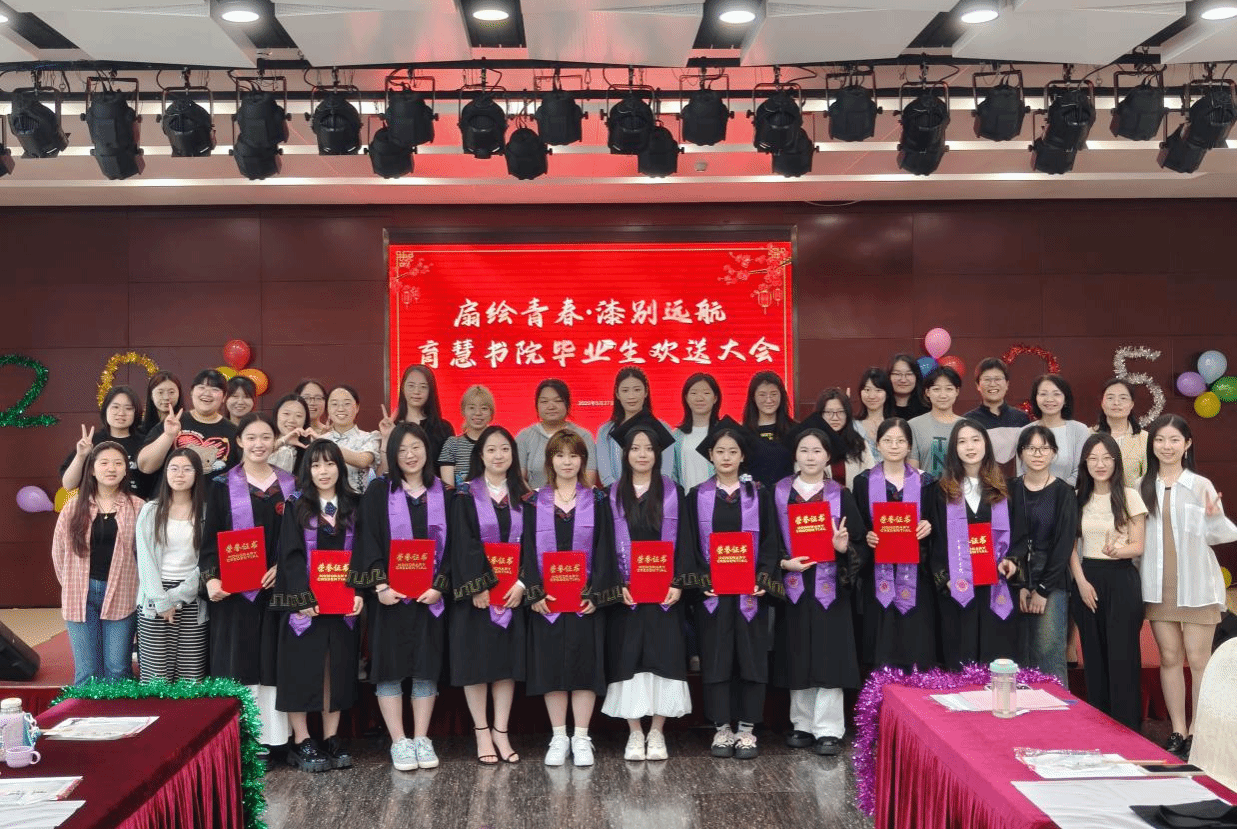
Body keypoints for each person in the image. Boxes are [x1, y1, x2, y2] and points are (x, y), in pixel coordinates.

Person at [350, 424, 451, 772]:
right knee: (389, 671)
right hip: (389, 599)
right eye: (402, 449)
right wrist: (379, 585)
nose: (410, 455)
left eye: (416, 447)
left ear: (427, 450)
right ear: (392, 454)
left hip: (430, 599)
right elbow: (367, 539)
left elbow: (456, 545)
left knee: (425, 670)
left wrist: (440, 585)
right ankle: (399, 741)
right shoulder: (379, 491)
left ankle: (421, 738)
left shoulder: (445, 493)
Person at [684, 416, 782, 760]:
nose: (726, 457)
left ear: (742, 456)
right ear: (710, 455)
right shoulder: (696, 496)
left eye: (733, 451)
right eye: (720, 451)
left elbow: (771, 542)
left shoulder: (759, 494)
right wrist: (702, 581)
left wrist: (763, 579)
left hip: (749, 594)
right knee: (717, 659)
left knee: (751, 659)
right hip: (713, 596)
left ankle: (747, 729)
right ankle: (722, 728)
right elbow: (689, 545)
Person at [521, 430, 619, 767]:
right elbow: (525, 548)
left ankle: (581, 736)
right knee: (552, 667)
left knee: (584, 667)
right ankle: (559, 736)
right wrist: (534, 591)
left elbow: (606, 547)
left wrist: (597, 592)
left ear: (583, 460)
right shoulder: (534, 501)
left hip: (584, 601)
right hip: (547, 601)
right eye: (559, 455)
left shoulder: (598, 500)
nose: (567, 462)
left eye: (574, 455)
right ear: (549, 461)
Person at [1139, 415, 1236, 757]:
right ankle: (1178, 729)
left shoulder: (1200, 485)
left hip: (1197, 585)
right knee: (1169, 657)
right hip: (1158, 587)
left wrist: (1213, 516)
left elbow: (1220, 535)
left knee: (1198, 660)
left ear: (1187, 444)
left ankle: (1199, 730)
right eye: (1160, 440)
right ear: (1152, 444)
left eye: (1174, 440)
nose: (1166, 447)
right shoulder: (1141, 486)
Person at [200, 413, 295, 753]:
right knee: (237, 660)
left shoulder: (291, 485)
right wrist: (211, 579)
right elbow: (210, 540)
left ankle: (275, 739)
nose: (259, 444)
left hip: (277, 589)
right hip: (235, 591)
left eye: (266, 437)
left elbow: (302, 538)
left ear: (275, 441)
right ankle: (241, 742)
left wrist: (285, 567)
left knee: (273, 660)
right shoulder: (221, 485)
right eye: (251, 437)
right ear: (239, 441)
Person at [601, 415, 693, 762]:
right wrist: (616, 585)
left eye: (649, 448)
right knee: (629, 661)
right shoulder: (611, 496)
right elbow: (603, 546)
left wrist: (679, 583)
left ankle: (656, 731)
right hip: (627, 596)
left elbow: (685, 540)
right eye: (635, 448)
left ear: (658, 454)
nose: (642, 454)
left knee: (663, 659)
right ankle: (634, 732)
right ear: (625, 454)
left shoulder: (673, 493)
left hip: (664, 594)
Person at [272, 439, 364, 773]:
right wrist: (301, 597)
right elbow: (290, 554)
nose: (323, 471)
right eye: (315, 465)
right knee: (300, 668)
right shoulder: (296, 505)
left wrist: (359, 591)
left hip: (343, 604)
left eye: (329, 463)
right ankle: (302, 740)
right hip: (305, 606)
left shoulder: (355, 505)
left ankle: (331, 736)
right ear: (307, 470)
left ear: (340, 467)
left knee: (334, 669)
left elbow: (364, 551)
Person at [772, 426, 863, 756]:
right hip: (794, 586)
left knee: (829, 655)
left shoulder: (841, 494)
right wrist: (784, 563)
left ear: (827, 457)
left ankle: (828, 728)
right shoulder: (779, 493)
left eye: (817, 451)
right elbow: (766, 539)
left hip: (830, 588)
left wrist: (843, 548)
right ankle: (802, 723)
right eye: (804, 450)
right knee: (798, 654)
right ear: (795, 455)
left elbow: (859, 542)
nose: (810, 457)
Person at [448, 425, 530, 766]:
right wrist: (477, 585)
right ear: (480, 455)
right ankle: (481, 730)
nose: (499, 455)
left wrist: (522, 584)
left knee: (505, 665)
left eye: (505, 449)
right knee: (476, 665)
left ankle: (501, 730)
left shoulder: (525, 497)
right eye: (492, 449)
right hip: (477, 598)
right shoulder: (465, 495)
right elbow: (462, 543)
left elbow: (535, 544)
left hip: (512, 595)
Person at [929, 419, 1028, 668]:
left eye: (976, 440)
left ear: (986, 444)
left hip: (997, 586)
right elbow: (936, 541)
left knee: (997, 657)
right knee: (961, 656)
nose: (970, 447)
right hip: (959, 587)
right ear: (954, 448)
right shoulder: (940, 491)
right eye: (962, 442)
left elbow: (1019, 536)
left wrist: (1012, 563)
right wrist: (945, 578)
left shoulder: (1007, 488)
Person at [1070, 432, 1147, 731]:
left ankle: (1127, 728)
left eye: (1106, 458)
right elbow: (1070, 548)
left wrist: (1117, 551)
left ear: (1116, 462)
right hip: (1087, 579)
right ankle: (1100, 728)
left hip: (1122, 579)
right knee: (1094, 655)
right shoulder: (1077, 497)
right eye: (1093, 458)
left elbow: (1138, 546)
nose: (1100, 464)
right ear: (1085, 463)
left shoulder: (1130, 496)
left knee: (1123, 656)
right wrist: (1081, 582)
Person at [51, 441, 142, 684]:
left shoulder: (137, 507)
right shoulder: (73, 506)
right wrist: (70, 584)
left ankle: (120, 711)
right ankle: (85, 710)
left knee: (118, 669)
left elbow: (144, 554)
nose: (111, 468)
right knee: (87, 672)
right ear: (91, 469)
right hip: (80, 594)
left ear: (125, 470)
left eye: (118, 463)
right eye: (104, 463)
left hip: (122, 593)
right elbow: (59, 552)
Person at [1008, 426, 1078, 686]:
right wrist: (1019, 585)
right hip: (1013, 577)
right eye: (1030, 448)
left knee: (1048, 653)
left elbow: (1063, 546)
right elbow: (1006, 540)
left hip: (1052, 578)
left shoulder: (1064, 492)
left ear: (1054, 453)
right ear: (1020, 453)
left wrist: (1042, 589)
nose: (1037, 454)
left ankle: (1055, 709)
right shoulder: (1009, 489)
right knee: (1017, 652)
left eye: (1044, 448)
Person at [135, 448, 209, 682]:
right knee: (155, 678)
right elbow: (144, 558)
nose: (180, 474)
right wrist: (161, 600)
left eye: (187, 469)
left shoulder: (205, 512)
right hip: (154, 597)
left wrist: (177, 596)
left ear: (197, 474)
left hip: (192, 596)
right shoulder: (151, 510)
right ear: (165, 473)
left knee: (190, 678)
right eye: (174, 468)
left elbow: (208, 558)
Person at [138, 368, 238, 477]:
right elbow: (145, 467)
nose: (207, 393)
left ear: (224, 397)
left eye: (215, 389)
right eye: (201, 387)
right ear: (191, 392)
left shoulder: (233, 431)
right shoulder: (173, 422)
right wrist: (168, 435)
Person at [60, 385, 146, 497]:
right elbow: (68, 485)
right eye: (115, 407)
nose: (121, 413)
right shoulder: (92, 442)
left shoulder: (145, 443)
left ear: (136, 412)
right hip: (97, 506)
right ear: (105, 410)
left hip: (138, 506)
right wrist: (81, 456)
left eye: (128, 408)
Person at [596, 368, 674, 487]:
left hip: (655, 495)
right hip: (617, 495)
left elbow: (666, 472)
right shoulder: (605, 431)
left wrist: (647, 494)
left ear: (646, 392)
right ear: (617, 394)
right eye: (625, 390)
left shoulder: (663, 428)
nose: (631, 396)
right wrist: (622, 494)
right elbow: (606, 476)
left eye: (637, 390)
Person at [515, 379, 598, 490]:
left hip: (576, 499)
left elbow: (589, 477)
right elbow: (518, 478)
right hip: (535, 499)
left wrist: (568, 499)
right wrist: (534, 498)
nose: (551, 406)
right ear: (537, 405)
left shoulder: (583, 436)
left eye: (558, 401)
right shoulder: (524, 437)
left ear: (567, 404)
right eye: (544, 401)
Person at [378, 364, 455, 472]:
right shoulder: (392, 427)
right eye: (411, 385)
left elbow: (450, 471)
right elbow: (383, 474)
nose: (416, 391)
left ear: (430, 391)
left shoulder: (443, 428)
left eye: (423, 386)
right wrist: (386, 438)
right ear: (403, 388)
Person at [1021, 374, 1090, 486]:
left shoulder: (1079, 430)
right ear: (1035, 398)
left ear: (1065, 399)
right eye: (1043, 394)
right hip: (1031, 494)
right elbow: (1021, 472)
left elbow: (1081, 470)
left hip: (1069, 494)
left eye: (1056, 394)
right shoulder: (1024, 431)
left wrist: (1056, 492)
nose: (1049, 399)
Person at [964, 358, 1030, 467]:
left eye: (998, 379)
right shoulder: (968, 421)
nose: (992, 384)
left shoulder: (1021, 418)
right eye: (987, 379)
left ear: (1007, 384)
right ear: (978, 385)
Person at [320, 385, 380, 495]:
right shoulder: (320, 440)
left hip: (359, 502)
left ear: (357, 408)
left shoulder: (370, 437)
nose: (340, 409)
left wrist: (326, 446)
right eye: (334, 404)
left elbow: (362, 461)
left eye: (347, 403)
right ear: (327, 409)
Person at [741, 371, 796, 489]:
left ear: (781, 396)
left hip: (788, 496)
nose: (769, 400)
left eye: (773, 394)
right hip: (753, 497)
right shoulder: (742, 433)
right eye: (762, 395)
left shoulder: (796, 430)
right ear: (753, 397)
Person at [909, 366, 963, 477]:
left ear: (957, 391)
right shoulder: (913, 425)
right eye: (936, 389)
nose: (943, 395)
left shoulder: (966, 426)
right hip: (926, 487)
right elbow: (912, 472)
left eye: (949, 389)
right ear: (927, 392)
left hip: (960, 487)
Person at [437, 385, 495, 488]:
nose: (478, 413)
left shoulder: (499, 445)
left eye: (484, 408)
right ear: (463, 411)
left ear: (491, 413)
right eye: (472, 408)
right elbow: (448, 489)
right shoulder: (452, 444)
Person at [814, 390, 875, 488]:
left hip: (853, 497)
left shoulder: (859, 444)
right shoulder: (809, 444)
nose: (835, 418)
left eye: (840, 412)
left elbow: (872, 478)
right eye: (828, 412)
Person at [1094, 377, 1147, 488]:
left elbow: (1148, 479)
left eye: (1123, 398)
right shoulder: (1087, 435)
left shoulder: (1144, 438)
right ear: (1102, 403)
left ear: (1132, 404)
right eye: (1110, 398)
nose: (1116, 403)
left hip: (1132, 498)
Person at [671, 372, 722, 490]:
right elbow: (673, 475)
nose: (700, 398)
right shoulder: (677, 436)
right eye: (693, 393)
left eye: (706, 393)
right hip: (687, 499)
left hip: (719, 499)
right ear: (686, 398)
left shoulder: (725, 432)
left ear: (715, 398)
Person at [853, 367, 895, 461]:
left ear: (887, 394)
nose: (872, 396)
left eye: (878, 390)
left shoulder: (896, 426)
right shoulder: (853, 427)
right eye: (867, 390)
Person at [270, 393, 313, 474]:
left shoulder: (308, 450)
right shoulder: (262, 440)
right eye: (286, 414)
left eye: (298, 416)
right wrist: (283, 441)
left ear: (305, 421)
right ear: (276, 414)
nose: (292, 420)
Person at [139, 370, 181, 436]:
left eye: (171, 392)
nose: (166, 397)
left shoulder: (188, 424)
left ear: (179, 394)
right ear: (151, 395)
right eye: (160, 392)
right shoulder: (140, 429)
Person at [888, 354, 928, 420]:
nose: (903, 380)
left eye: (909, 374)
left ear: (917, 377)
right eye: (897, 374)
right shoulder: (880, 407)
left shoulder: (928, 410)